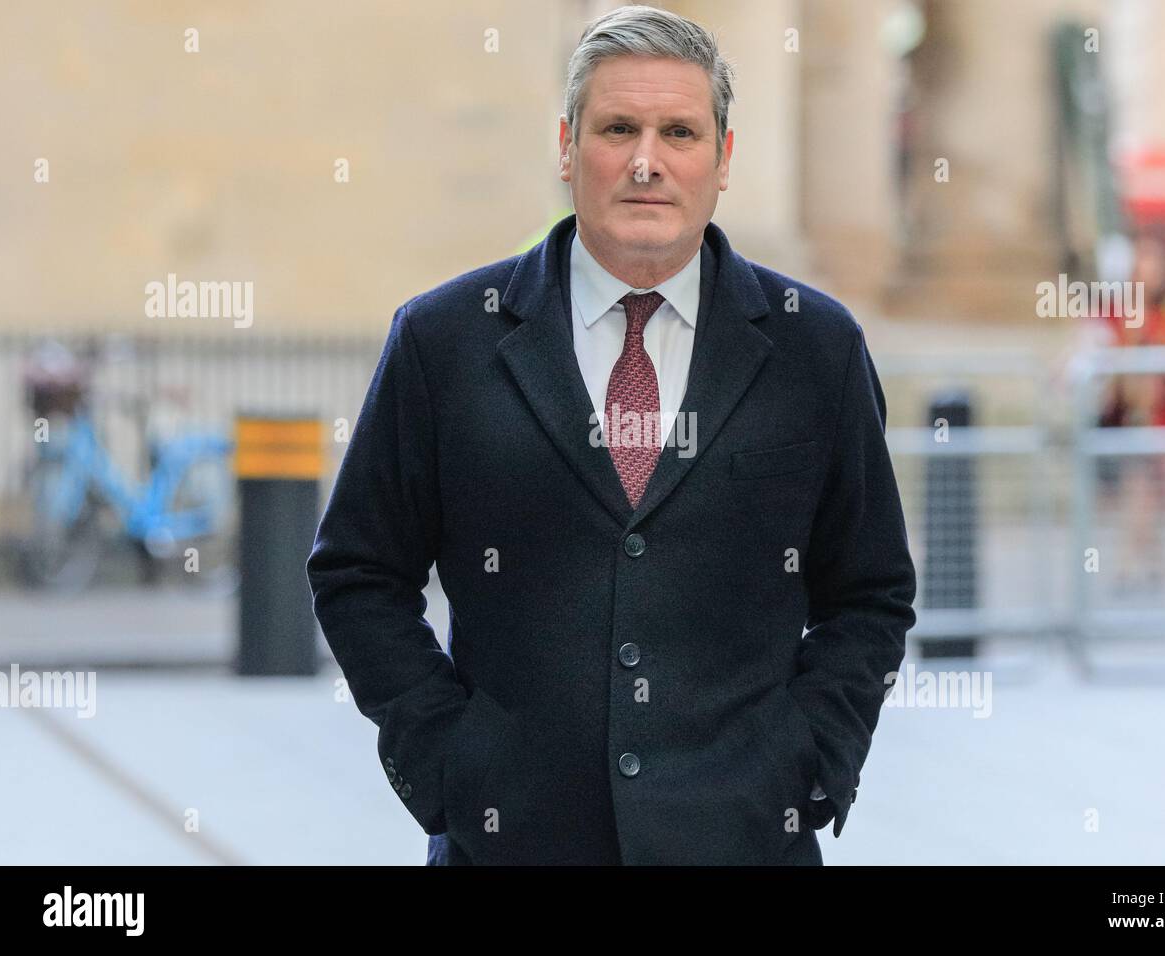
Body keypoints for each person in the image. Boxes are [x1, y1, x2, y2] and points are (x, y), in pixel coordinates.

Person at [306, 4, 916, 866]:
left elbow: (872, 591)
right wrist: (445, 760)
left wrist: (811, 761)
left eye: (680, 132)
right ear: (566, 147)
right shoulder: (446, 341)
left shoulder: (814, 346)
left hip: (742, 841)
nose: (646, 161)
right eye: (617, 127)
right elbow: (357, 571)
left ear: (724, 159)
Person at [1095, 230, 1165, 593]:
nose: (1146, 268)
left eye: (1153, 260)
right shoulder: (1118, 307)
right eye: (1140, 259)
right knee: (1137, 489)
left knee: (1150, 494)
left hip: (1164, 419)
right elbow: (1096, 342)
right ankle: (1132, 563)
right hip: (1127, 418)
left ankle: (1151, 562)